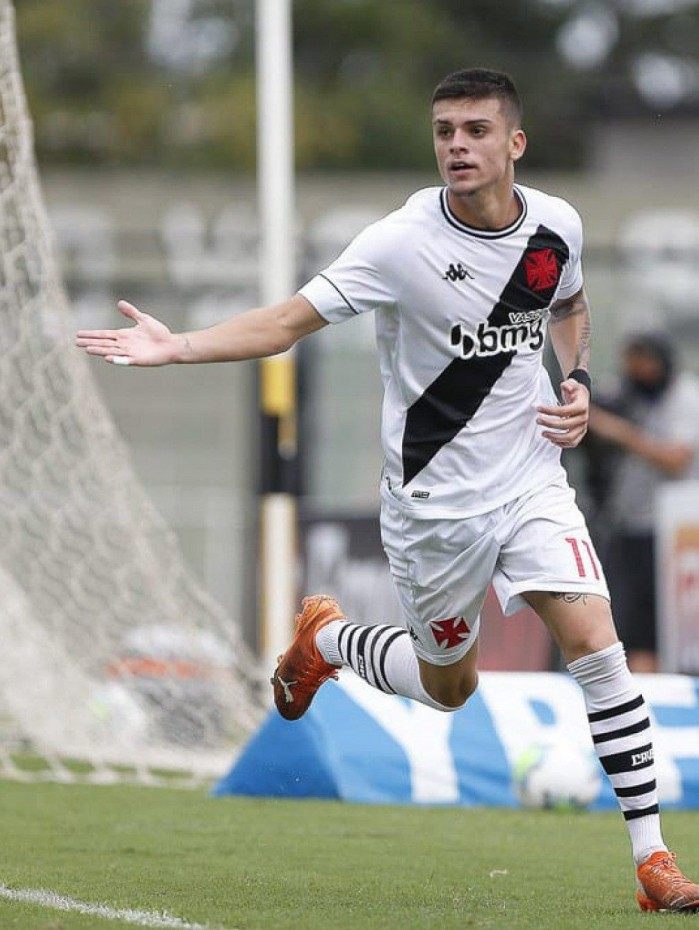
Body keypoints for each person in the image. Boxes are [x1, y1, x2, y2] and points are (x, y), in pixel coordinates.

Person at [75, 69, 699, 912]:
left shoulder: (557, 224)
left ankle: (651, 861)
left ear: (514, 143)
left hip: (530, 482)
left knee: (597, 645)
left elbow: (569, 299)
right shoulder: (398, 244)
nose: (456, 146)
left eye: (476, 130)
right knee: (449, 688)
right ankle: (329, 642)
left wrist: (578, 376)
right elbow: (288, 322)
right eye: (444, 130)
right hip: (432, 508)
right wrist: (176, 345)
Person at [586, 332, 699, 672]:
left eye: (646, 364)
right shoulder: (625, 395)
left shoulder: (685, 398)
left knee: (673, 624)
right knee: (632, 625)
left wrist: (619, 432)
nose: (640, 372)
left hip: (675, 533)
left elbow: (676, 459)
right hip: (627, 525)